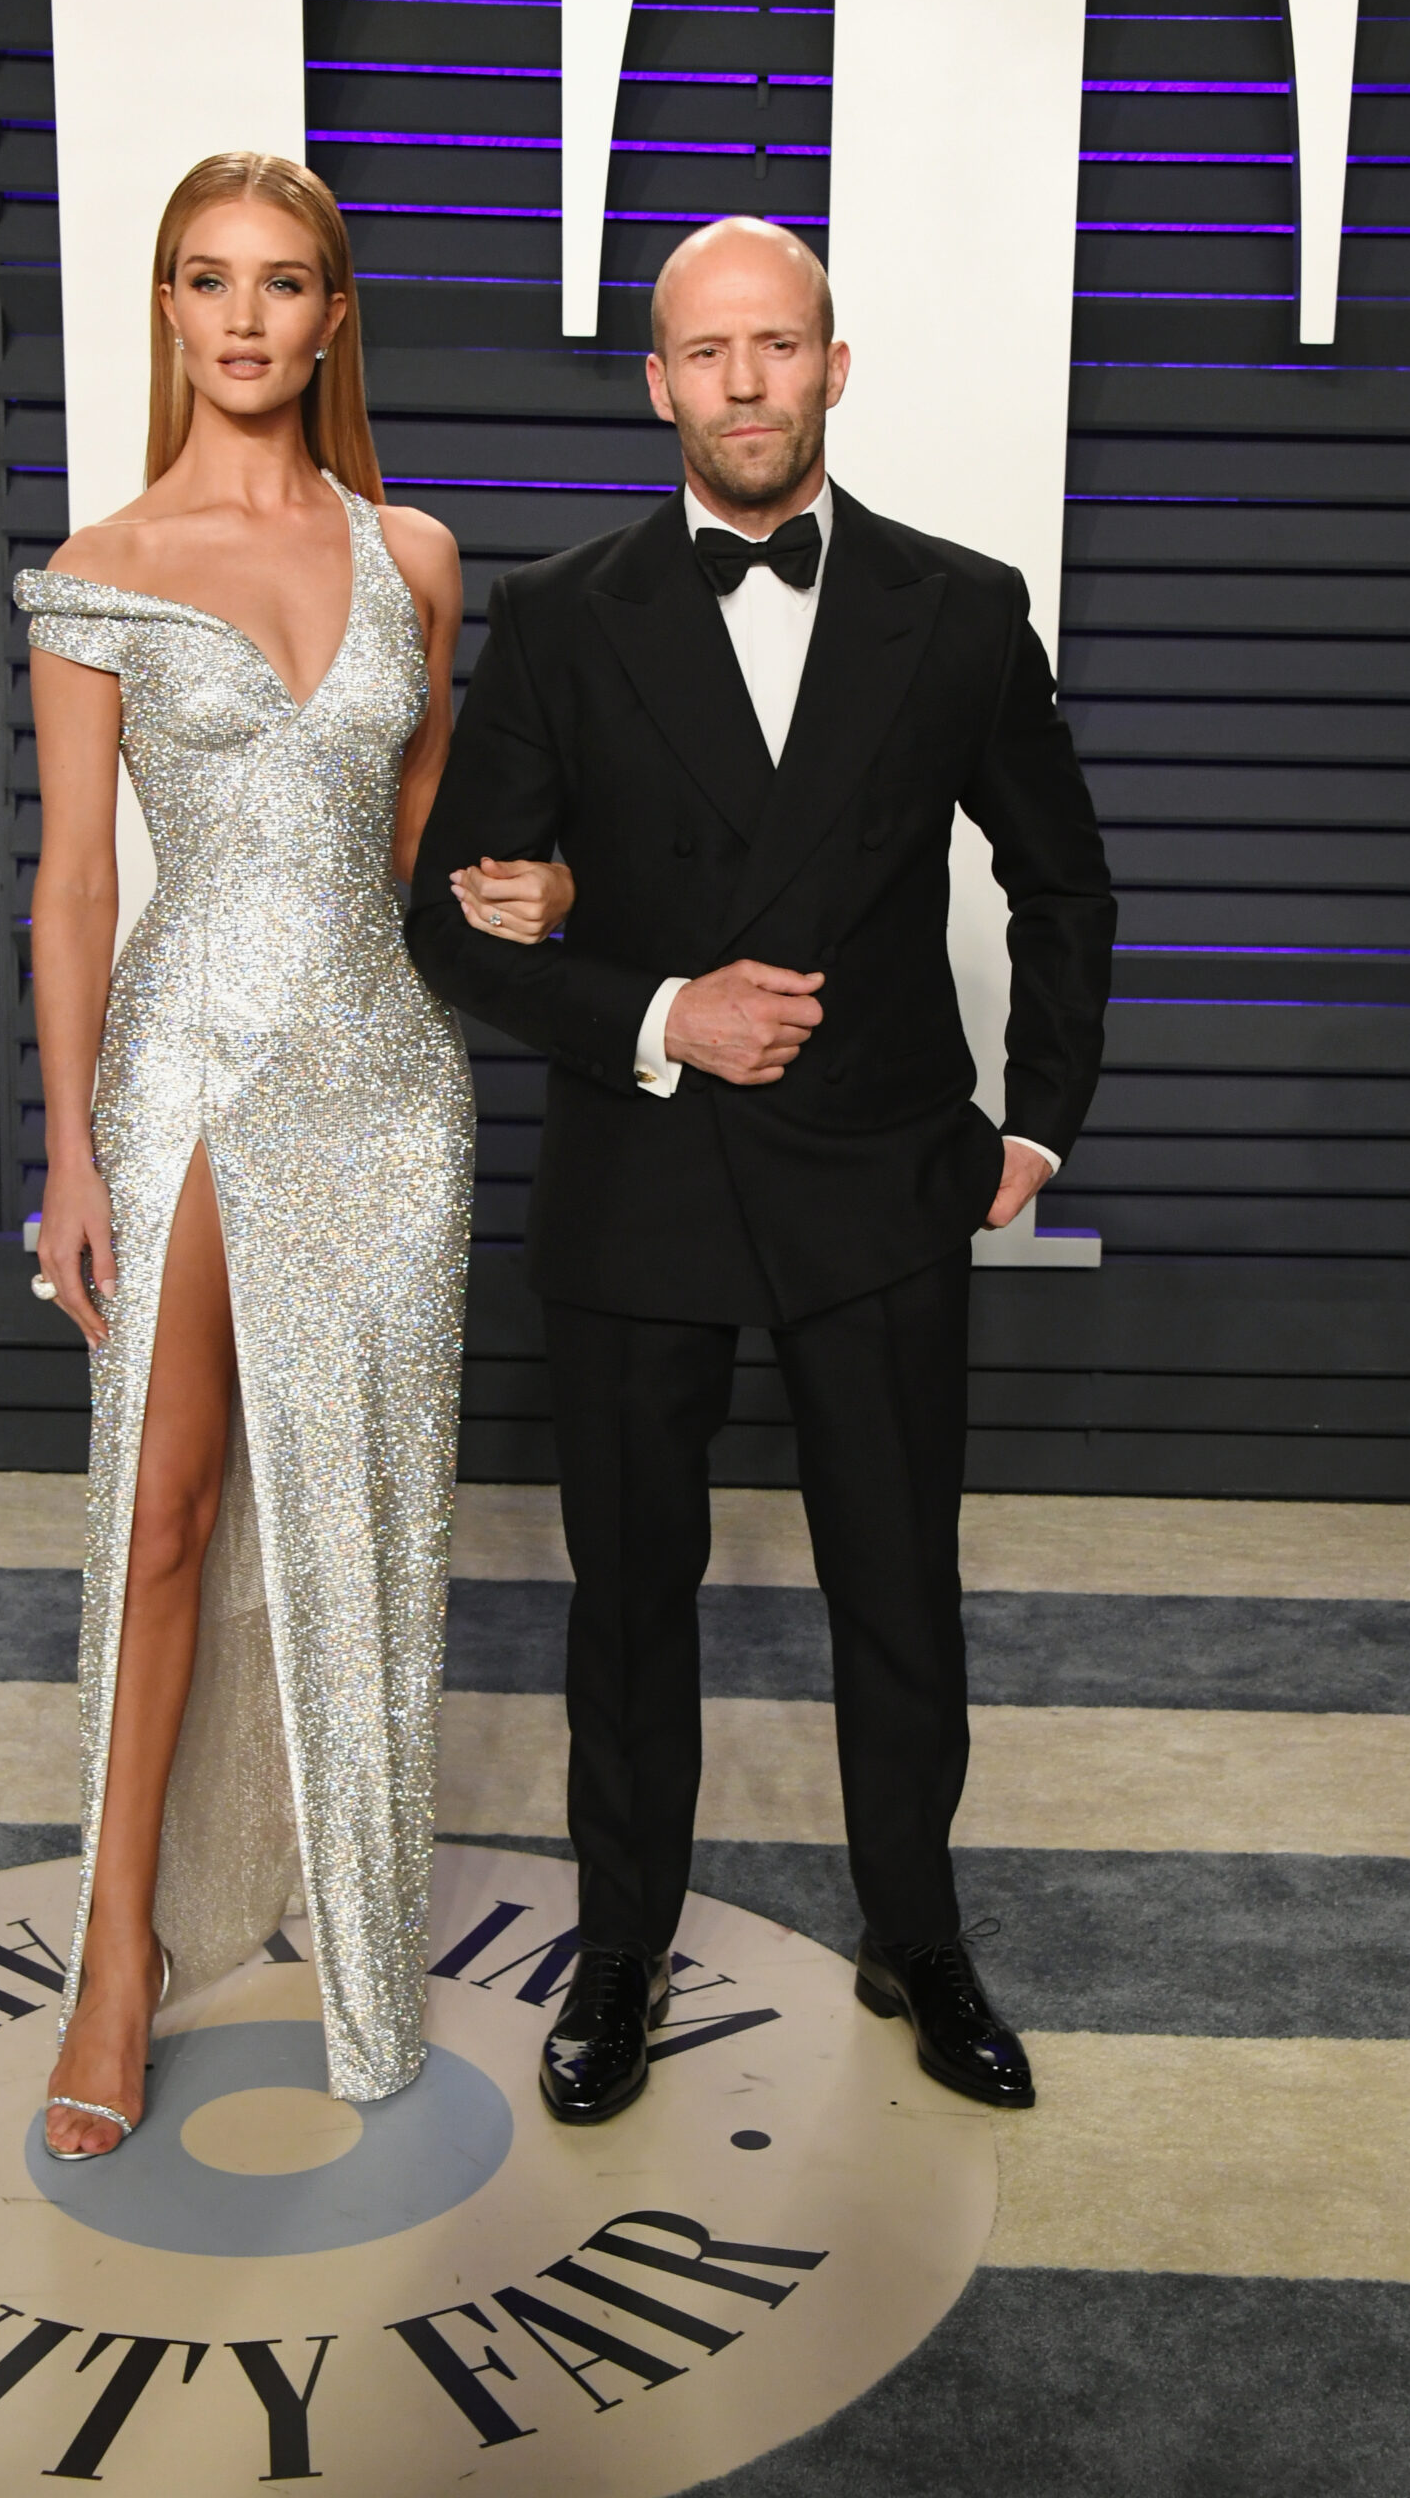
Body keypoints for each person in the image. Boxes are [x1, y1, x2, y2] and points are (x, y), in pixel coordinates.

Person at [409, 216, 1115, 2125]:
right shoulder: (563, 613)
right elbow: (454, 925)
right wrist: (654, 1011)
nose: (743, 380)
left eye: (777, 345)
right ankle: (621, 1951)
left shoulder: (961, 608)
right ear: (659, 381)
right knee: (626, 1604)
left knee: (902, 1590)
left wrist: (1037, 1122)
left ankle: (917, 1930)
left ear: (833, 364)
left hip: (881, 1180)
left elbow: (1061, 881)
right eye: (707, 351)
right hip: (639, 1187)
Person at [20, 152, 570, 2158]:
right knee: (159, 1517)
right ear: (166, 313)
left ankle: (357, 1945)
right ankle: (113, 1956)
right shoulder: (97, 570)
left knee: (369, 1530)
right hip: (189, 1068)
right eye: (201, 281)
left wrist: (539, 893)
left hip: (391, 1086)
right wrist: (75, 1153)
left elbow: (424, 859)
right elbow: (73, 890)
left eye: (279, 284)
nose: (240, 317)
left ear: (334, 317)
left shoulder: (410, 556)